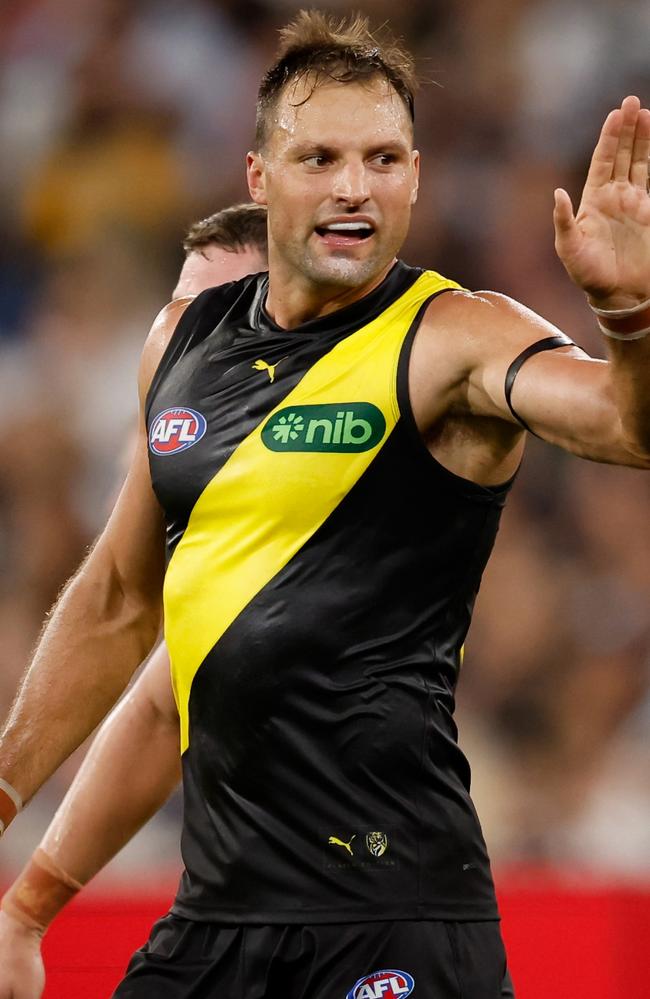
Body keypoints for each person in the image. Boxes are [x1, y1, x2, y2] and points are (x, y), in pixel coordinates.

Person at [1, 9, 649, 998]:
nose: (354, 185)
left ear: (415, 178)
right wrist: (18, 866)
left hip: (395, 915)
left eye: (383, 158)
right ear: (259, 179)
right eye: (321, 157)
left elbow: (625, 428)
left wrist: (627, 315)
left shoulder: (452, 336)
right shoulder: (180, 343)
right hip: (215, 922)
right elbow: (121, 608)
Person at [0, 202, 269, 999]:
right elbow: (156, 690)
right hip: (224, 893)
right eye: (177, 310)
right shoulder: (183, 470)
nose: (185, 336)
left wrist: (624, 316)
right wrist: (25, 909)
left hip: (374, 888)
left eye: (215, 311)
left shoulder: (371, 448)